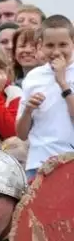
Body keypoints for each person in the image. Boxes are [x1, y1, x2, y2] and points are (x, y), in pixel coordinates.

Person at [16, 14, 74, 182]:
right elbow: (21, 134)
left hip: (70, 160)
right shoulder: (34, 77)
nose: (56, 51)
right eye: (50, 45)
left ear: (72, 43)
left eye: (63, 44)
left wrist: (63, 83)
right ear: (40, 45)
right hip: (39, 162)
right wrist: (28, 110)